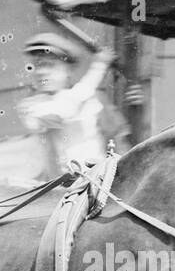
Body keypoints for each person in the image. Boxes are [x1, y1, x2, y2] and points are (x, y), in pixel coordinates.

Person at [17, 32, 120, 180]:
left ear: (67, 70)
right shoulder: (32, 107)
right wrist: (100, 65)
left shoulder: (94, 100)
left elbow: (115, 135)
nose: (41, 72)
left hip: (101, 181)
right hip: (64, 192)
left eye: (49, 65)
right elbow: (68, 108)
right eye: (36, 66)